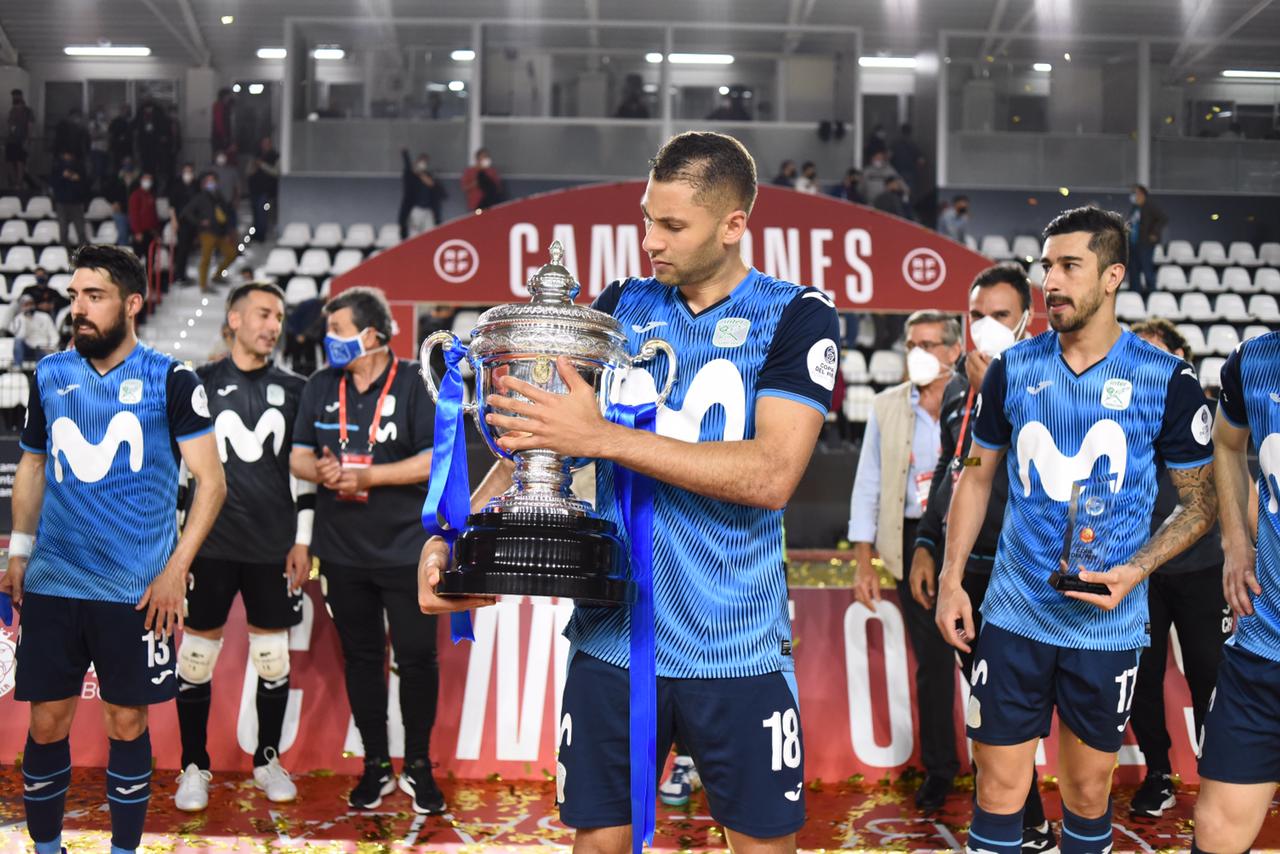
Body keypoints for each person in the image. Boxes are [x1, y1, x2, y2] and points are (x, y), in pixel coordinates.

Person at [418, 131, 840, 853]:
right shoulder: (620, 306)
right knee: (597, 844)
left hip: (737, 650)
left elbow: (773, 475)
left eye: (673, 225)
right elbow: (540, 438)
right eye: (647, 218)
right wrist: (456, 537)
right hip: (614, 640)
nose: (650, 240)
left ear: (734, 225)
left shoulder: (798, 315)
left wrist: (604, 437)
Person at [933, 207, 1216, 854]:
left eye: (1069, 267)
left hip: (1105, 626)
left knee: (1089, 797)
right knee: (998, 793)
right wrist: (953, 580)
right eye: (1046, 267)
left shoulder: (1166, 381)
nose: (1050, 282)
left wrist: (1136, 571)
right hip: (1013, 616)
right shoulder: (1012, 369)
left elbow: (1200, 506)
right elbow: (974, 476)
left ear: (1113, 275)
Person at [0, 243, 226, 854]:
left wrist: (176, 569)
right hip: (53, 582)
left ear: (131, 304)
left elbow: (212, 481)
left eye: (93, 297)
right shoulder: (49, 374)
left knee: (127, 722)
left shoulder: (171, 379)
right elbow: (32, 466)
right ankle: (48, 848)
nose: (78, 308)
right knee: (46, 723)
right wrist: (18, 550)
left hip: (137, 590)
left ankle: (124, 850)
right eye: (74, 296)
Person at [909, 265, 1053, 847]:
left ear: (1026, 319)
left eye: (999, 315)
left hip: (1025, 573)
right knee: (989, 709)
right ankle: (1028, 820)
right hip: (965, 571)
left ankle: (1029, 818)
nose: (984, 327)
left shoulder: (1047, 378)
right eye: (976, 316)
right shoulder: (958, 390)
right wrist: (926, 542)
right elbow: (954, 468)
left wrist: (1002, 385)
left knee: (1010, 711)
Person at [290, 286, 445, 814]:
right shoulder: (319, 385)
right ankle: (375, 764)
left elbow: (432, 460)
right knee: (361, 658)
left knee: (417, 658)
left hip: (407, 550)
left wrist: (368, 476)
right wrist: (324, 471)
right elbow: (298, 457)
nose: (327, 339)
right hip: (342, 553)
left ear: (372, 335)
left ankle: (419, 764)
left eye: (337, 330)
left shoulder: (415, 381)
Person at [173, 281, 312, 811]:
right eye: (262, 314)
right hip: (209, 547)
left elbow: (305, 478)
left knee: (273, 658)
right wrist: (177, 547)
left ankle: (267, 759)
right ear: (233, 319)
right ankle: (193, 765)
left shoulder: (296, 388)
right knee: (195, 660)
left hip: (271, 548)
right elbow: (179, 472)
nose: (272, 325)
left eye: (277, 317)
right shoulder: (197, 383)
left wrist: (302, 541)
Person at [849, 309, 964, 813]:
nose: (918, 352)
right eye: (911, 343)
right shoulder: (886, 405)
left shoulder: (979, 396)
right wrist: (863, 559)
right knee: (934, 665)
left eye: (930, 343)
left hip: (980, 537)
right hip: (914, 537)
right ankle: (941, 769)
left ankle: (1005, 769)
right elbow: (868, 484)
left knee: (993, 665)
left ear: (954, 351)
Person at [1123, 318, 1226, 818]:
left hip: (1203, 567)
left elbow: (1226, 490)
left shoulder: (1204, 412)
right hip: (1139, 573)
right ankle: (1158, 773)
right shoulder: (1118, 413)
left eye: (1156, 354)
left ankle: (1223, 774)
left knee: (1211, 671)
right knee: (1141, 677)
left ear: (1180, 358)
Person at [1191, 327, 1280, 853]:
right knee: (1216, 831)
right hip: (1262, 649)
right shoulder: (1254, 361)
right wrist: (1235, 538)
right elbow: (1226, 442)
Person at [180, 172, 238, 292]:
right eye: (209, 181)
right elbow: (186, 212)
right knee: (206, 258)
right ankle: (203, 285)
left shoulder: (220, 197)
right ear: (204, 184)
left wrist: (228, 232)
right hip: (207, 233)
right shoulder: (200, 197)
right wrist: (200, 222)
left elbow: (226, 214)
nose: (211, 183)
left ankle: (217, 275)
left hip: (221, 232)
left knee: (232, 254)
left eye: (213, 180)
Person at [1127, 185, 1166, 295]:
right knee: (1133, 271)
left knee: (1146, 269)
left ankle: (1153, 295)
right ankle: (1135, 295)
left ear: (1142, 194)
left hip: (1145, 244)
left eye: (1135, 193)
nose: (1133, 195)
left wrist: (1154, 233)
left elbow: (1163, 218)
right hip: (1133, 245)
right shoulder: (1134, 208)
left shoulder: (1150, 206)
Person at [49, 151, 91, 249]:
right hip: (62, 203)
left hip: (76, 202)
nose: (68, 156)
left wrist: (78, 179)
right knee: (63, 230)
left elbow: (86, 185)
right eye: (66, 154)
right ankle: (64, 253)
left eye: (70, 154)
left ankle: (83, 254)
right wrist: (62, 177)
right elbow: (53, 183)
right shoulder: (57, 167)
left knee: (81, 231)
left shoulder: (79, 167)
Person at [398, 149, 443, 239]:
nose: (423, 164)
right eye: (421, 162)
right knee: (414, 233)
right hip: (416, 209)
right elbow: (408, 167)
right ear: (417, 163)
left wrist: (421, 173)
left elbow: (431, 184)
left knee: (430, 234)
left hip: (428, 210)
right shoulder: (410, 176)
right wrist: (405, 154)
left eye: (425, 162)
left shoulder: (427, 175)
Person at [168, 163, 199, 284]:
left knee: (187, 249)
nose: (188, 174)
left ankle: (182, 273)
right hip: (181, 220)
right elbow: (172, 205)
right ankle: (177, 274)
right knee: (181, 248)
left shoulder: (195, 185)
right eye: (186, 171)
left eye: (190, 171)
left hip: (192, 221)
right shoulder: (177, 186)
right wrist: (174, 220)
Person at [9, 293, 59, 366]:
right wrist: (24, 319)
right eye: (26, 305)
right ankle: (17, 367)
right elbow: (20, 336)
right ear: (21, 307)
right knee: (18, 341)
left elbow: (54, 335)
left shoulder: (44, 316)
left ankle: (41, 372)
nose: (29, 307)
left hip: (43, 347)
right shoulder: (18, 319)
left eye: (31, 304)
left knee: (41, 351)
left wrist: (51, 347)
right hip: (27, 349)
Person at [247, 137, 281, 240]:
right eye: (263, 143)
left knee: (263, 213)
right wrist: (254, 167)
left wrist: (262, 165)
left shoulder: (275, 156)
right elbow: (248, 171)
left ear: (270, 144)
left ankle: (261, 235)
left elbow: (276, 172)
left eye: (267, 143)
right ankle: (255, 233)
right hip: (254, 190)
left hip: (267, 191)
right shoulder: (256, 155)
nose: (265, 145)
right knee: (255, 213)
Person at [5, 88, 34, 191]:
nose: (15, 97)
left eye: (17, 95)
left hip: (21, 140)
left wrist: (28, 139)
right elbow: (10, 125)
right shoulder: (12, 110)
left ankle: (19, 183)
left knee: (20, 162)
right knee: (9, 161)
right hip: (11, 140)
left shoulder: (27, 111)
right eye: (14, 96)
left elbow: (30, 125)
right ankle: (14, 183)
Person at [128, 172, 161, 260]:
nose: (147, 181)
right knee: (137, 259)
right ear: (141, 180)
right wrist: (137, 231)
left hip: (151, 232)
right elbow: (134, 214)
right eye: (145, 179)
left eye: (149, 179)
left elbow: (154, 215)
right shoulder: (136, 195)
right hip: (140, 232)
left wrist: (157, 232)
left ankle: (148, 274)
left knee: (151, 258)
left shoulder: (151, 195)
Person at [890, 123, 924, 199]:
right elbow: (921, 161)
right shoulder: (913, 144)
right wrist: (918, 170)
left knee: (897, 191)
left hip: (897, 171)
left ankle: (899, 207)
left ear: (901, 131)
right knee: (909, 192)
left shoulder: (895, 143)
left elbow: (889, 156)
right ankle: (907, 207)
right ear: (910, 132)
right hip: (910, 172)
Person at [88, 107, 111, 193]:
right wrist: (102, 135)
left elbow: (109, 135)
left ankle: (102, 189)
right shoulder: (93, 123)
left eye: (103, 112)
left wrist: (103, 135)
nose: (102, 114)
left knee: (104, 172)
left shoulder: (106, 124)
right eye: (100, 112)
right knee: (97, 170)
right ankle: (95, 189)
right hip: (96, 150)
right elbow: (92, 136)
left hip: (105, 150)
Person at [108, 104, 134, 174]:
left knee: (127, 169)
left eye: (128, 111)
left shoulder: (131, 122)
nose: (127, 112)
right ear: (121, 111)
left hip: (128, 149)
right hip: (118, 149)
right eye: (125, 110)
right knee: (117, 168)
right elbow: (111, 133)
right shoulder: (116, 121)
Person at [211, 88, 235, 154]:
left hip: (224, 137)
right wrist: (223, 136)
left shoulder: (227, 107)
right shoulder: (219, 106)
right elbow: (219, 123)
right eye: (228, 96)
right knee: (220, 156)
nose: (229, 98)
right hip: (220, 138)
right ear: (224, 96)